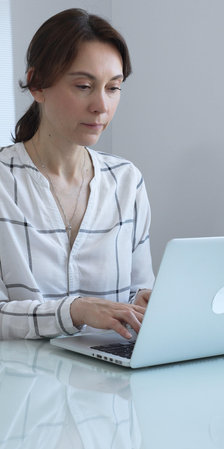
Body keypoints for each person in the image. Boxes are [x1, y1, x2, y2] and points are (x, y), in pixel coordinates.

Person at [0, 8, 154, 340]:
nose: (101, 105)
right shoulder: (4, 183)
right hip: (19, 387)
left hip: (110, 385)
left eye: (113, 88)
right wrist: (75, 310)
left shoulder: (127, 182)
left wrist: (141, 305)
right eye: (84, 86)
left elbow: (135, 294)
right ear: (37, 85)